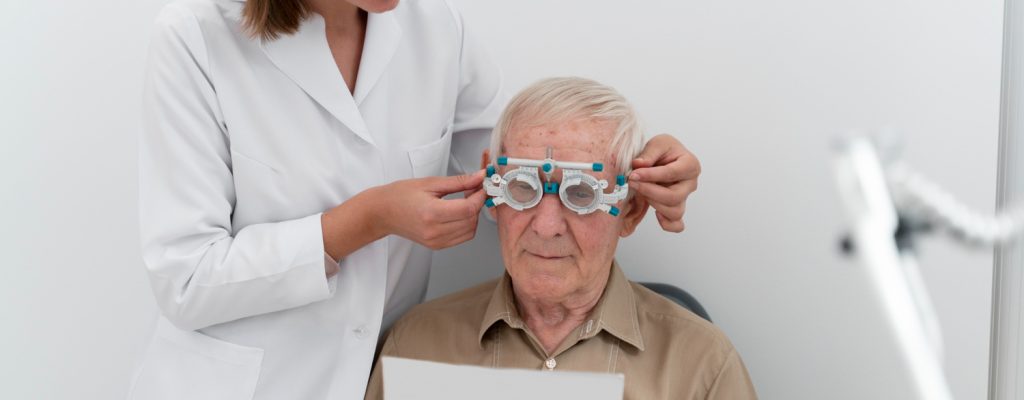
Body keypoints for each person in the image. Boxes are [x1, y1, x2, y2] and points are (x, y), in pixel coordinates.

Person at [130, 0, 701, 398]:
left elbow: (518, 159)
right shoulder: (195, 37)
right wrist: (369, 218)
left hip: (381, 376)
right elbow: (185, 280)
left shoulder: (434, 24)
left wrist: (639, 163)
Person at [365, 77, 755, 400]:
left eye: (581, 193)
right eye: (522, 187)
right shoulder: (416, 346)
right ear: (492, 191)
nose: (546, 226)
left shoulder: (702, 366)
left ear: (631, 210)